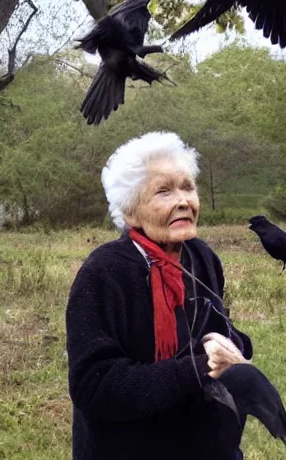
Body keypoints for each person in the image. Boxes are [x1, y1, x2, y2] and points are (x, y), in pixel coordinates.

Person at [65, 131, 253, 460]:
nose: (183, 200)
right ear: (131, 213)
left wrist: (233, 346)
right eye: (163, 191)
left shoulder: (202, 256)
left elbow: (215, 326)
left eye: (187, 187)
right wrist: (194, 370)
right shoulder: (104, 273)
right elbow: (93, 386)